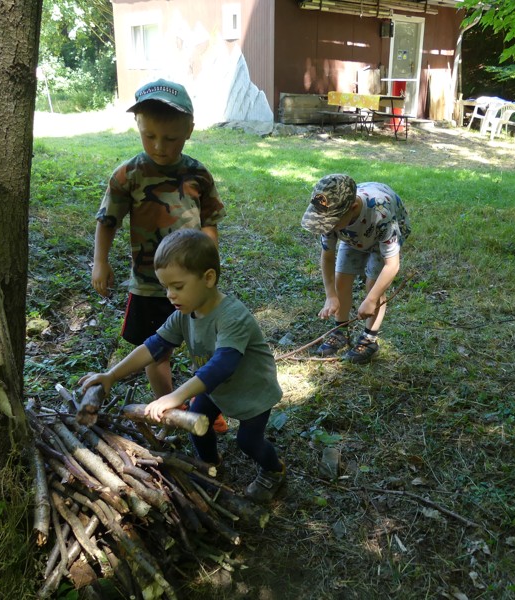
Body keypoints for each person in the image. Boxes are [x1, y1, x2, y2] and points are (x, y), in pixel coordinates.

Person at [79, 229, 286, 503]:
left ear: (208, 278)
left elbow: (221, 365)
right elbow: (153, 347)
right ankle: (209, 465)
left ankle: (274, 471)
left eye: (178, 286)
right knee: (197, 426)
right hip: (215, 390)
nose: (170, 294)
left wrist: (175, 396)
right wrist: (111, 375)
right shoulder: (183, 315)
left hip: (251, 390)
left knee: (248, 441)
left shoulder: (232, 317)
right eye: (166, 286)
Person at [91, 77, 228, 432]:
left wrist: (209, 262)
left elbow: (210, 221)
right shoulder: (128, 175)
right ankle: (173, 407)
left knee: (208, 346)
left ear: (189, 131)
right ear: (138, 127)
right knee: (158, 351)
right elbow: (108, 221)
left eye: (170, 138)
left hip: (195, 283)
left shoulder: (197, 173)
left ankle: (210, 405)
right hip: (150, 285)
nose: (159, 146)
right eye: (148, 136)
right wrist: (100, 261)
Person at [301, 174, 410, 364]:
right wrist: (330, 295)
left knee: (373, 284)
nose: (327, 227)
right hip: (352, 238)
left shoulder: (382, 215)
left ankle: (369, 338)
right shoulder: (330, 218)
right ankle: (341, 330)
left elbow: (392, 264)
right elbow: (327, 257)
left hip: (378, 237)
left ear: (352, 209)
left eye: (331, 222)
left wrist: (371, 299)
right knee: (341, 278)